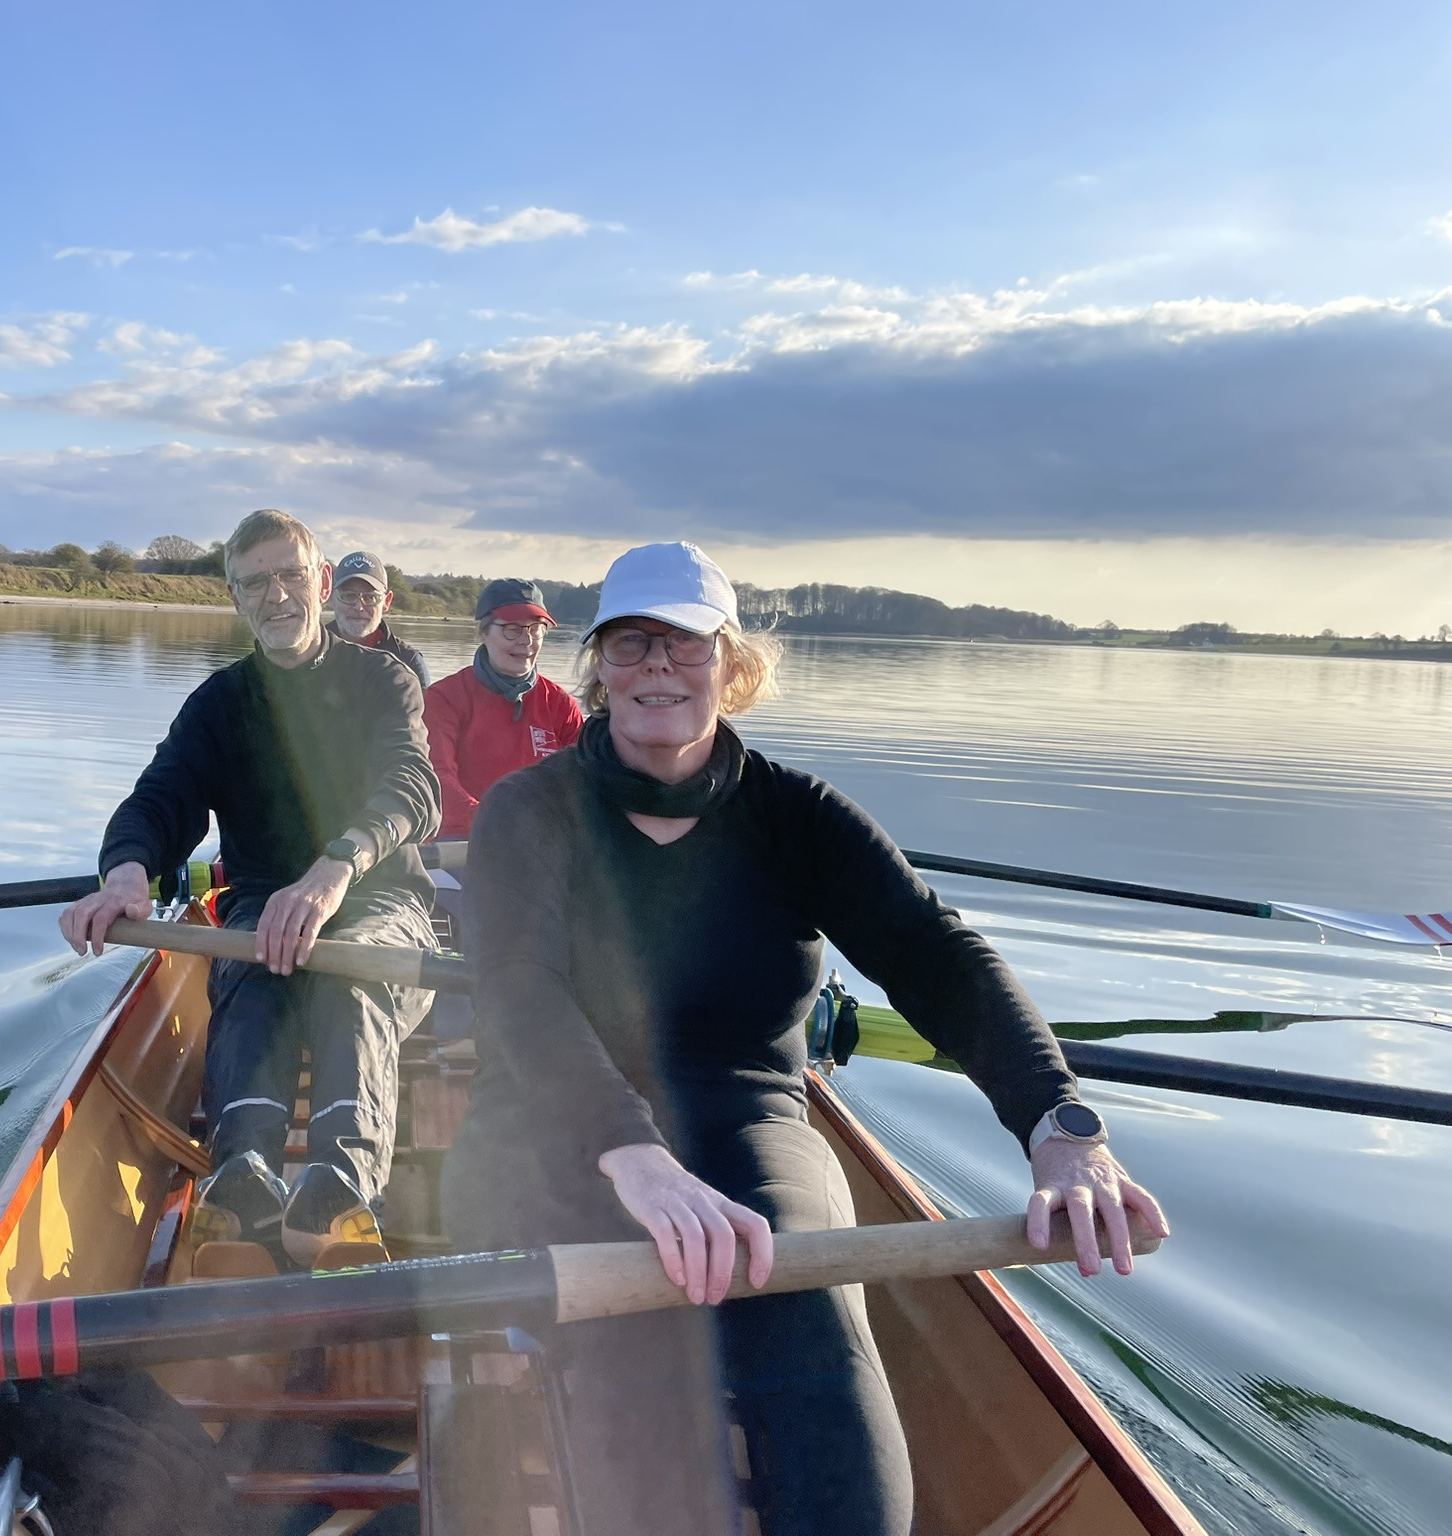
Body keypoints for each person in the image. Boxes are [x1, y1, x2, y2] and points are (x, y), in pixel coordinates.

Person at [441, 541, 1169, 1536]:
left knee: (822, 1355)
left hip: (745, 1120)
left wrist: (1060, 1125)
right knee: (639, 1366)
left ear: (730, 665)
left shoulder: (799, 817)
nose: (657, 667)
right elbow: (519, 995)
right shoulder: (529, 811)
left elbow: (936, 956)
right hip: (556, 1128)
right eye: (630, 643)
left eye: (685, 644)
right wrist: (633, 1156)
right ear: (599, 666)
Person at [60, 509, 441, 1266]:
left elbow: (412, 787)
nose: (277, 595)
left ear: (322, 582)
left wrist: (335, 868)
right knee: (255, 968)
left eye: (291, 575)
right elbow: (160, 799)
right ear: (235, 598)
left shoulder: (383, 680)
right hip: (263, 905)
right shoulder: (219, 703)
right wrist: (127, 871)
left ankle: (342, 1186)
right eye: (255, 582)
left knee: (350, 973)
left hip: (379, 898)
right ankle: (244, 1177)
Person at [421, 577, 583, 840]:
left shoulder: (561, 704)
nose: (526, 640)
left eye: (536, 629)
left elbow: (586, 780)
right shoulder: (443, 698)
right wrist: (498, 823)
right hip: (463, 842)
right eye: (512, 629)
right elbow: (438, 778)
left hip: (542, 842)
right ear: (483, 632)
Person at [327, 549, 431, 691]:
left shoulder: (410, 662)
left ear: (387, 601)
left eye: (370, 597)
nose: (359, 607)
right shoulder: (306, 653)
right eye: (348, 596)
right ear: (331, 597)